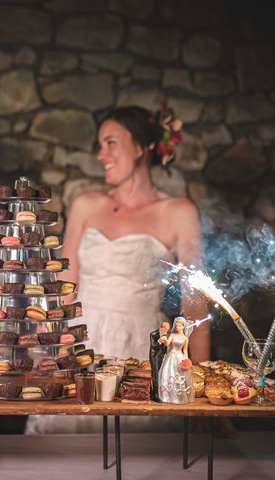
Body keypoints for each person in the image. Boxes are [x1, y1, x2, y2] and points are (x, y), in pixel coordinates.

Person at [26, 105, 208, 434]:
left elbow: (194, 306)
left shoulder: (179, 212)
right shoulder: (85, 204)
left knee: (138, 446)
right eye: (99, 145)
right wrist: (49, 352)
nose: (101, 155)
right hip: (81, 345)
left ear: (142, 147)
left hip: (142, 346)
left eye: (110, 143)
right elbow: (65, 290)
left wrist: (203, 385)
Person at [158, 316, 194, 404]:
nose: (177, 327)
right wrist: (164, 338)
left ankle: (180, 396)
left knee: (180, 375)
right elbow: (167, 344)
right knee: (169, 373)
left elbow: (185, 350)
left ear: (183, 327)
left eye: (179, 325)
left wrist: (186, 360)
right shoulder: (172, 335)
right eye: (176, 325)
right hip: (171, 356)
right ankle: (168, 396)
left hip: (180, 357)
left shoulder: (185, 338)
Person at [149, 320, 171, 402]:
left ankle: (162, 393)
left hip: (162, 356)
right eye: (164, 328)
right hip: (154, 356)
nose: (165, 330)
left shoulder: (167, 335)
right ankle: (156, 395)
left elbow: (166, 348)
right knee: (156, 374)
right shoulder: (153, 334)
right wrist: (160, 340)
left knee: (162, 374)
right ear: (160, 327)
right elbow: (154, 347)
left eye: (167, 328)